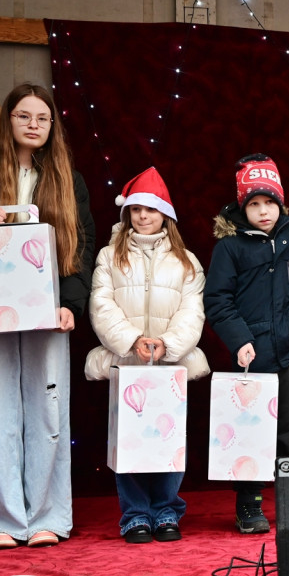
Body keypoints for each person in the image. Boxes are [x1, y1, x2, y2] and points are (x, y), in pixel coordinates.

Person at [0, 83, 95, 549]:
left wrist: (71, 303)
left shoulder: (69, 176)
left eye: (42, 118)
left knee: (48, 407)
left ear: (52, 126)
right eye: (23, 115)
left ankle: (48, 516)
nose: (33, 124)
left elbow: (79, 246)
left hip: (49, 307)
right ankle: (4, 520)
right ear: (8, 120)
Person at [84, 166, 209, 544]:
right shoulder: (110, 256)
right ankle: (136, 513)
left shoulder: (187, 262)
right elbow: (101, 304)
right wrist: (133, 338)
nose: (142, 216)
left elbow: (193, 311)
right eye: (135, 209)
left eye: (150, 210)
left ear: (165, 216)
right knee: (132, 441)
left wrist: (167, 344)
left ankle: (166, 508)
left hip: (170, 367)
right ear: (127, 214)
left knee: (168, 441)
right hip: (128, 364)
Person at [204, 154, 289, 534]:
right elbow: (217, 300)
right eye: (254, 204)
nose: (264, 211)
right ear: (241, 206)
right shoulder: (229, 247)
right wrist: (240, 340)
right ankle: (249, 506)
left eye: (270, 203)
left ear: (280, 203)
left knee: (286, 427)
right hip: (251, 351)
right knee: (251, 429)